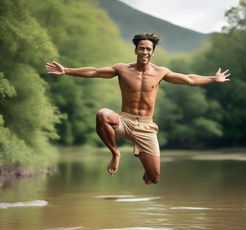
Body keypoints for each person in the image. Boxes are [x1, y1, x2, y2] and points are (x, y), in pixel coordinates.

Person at [45, 32, 230, 185]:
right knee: (102, 114)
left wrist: (213, 79)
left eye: (148, 49)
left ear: (153, 52)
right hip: (123, 121)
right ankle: (116, 154)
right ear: (135, 50)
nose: (145, 51)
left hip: (146, 127)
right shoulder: (122, 69)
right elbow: (94, 71)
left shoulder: (160, 72)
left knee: (154, 178)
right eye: (141, 48)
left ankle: (146, 164)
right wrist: (67, 70)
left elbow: (189, 79)